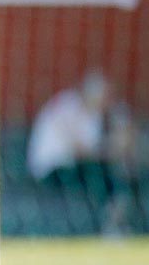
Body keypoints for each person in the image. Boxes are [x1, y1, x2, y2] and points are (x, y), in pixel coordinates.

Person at [27, 71, 128, 234]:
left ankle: (112, 224)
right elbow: (80, 150)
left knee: (112, 177)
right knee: (99, 175)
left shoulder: (94, 117)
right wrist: (110, 149)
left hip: (75, 167)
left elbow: (101, 149)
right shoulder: (66, 105)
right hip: (51, 169)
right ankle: (104, 226)